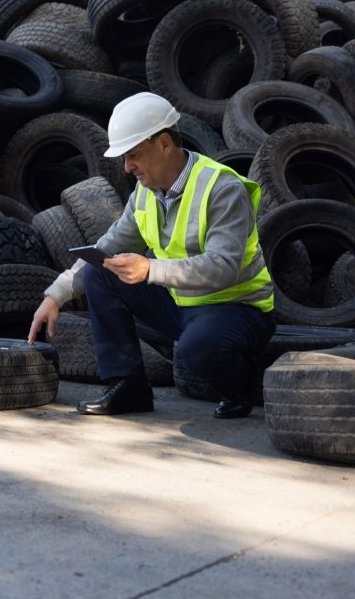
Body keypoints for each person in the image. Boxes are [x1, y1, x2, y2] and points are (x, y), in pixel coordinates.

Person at [27, 92, 276, 419]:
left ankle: (239, 389)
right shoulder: (144, 194)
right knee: (100, 271)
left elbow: (224, 267)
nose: (128, 168)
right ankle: (128, 387)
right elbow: (105, 247)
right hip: (184, 304)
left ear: (163, 144)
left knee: (196, 349)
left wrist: (150, 269)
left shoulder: (221, 188)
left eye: (133, 156)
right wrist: (56, 296)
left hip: (237, 307)